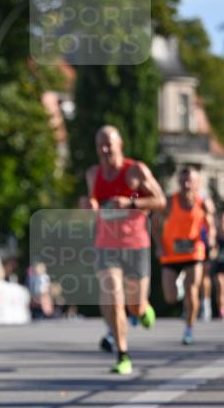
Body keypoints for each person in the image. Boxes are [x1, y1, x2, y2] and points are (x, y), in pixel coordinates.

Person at [85, 125, 166, 374]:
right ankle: (123, 354)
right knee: (113, 297)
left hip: (135, 245)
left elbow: (161, 201)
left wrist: (131, 202)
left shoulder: (136, 170)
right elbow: (94, 203)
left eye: (109, 143)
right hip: (106, 244)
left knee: (135, 306)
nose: (105, 149)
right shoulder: (92, 174)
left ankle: (143, 310)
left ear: (120, 144)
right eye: (100, 145)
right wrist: (90, 207)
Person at [153, 165, 216, 345]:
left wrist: (210, 238)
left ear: (198, 183)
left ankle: (189, 329)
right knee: (170, 297)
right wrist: (159, 245)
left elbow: (209, 225)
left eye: (191, 181)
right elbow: (155, 224)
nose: (187, 184)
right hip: (170, 254)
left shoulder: (203, 203)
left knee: (192, 290)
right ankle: (178, 286)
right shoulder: (170, 202)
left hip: (194, 252)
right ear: (178, 182)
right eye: (183, 180)